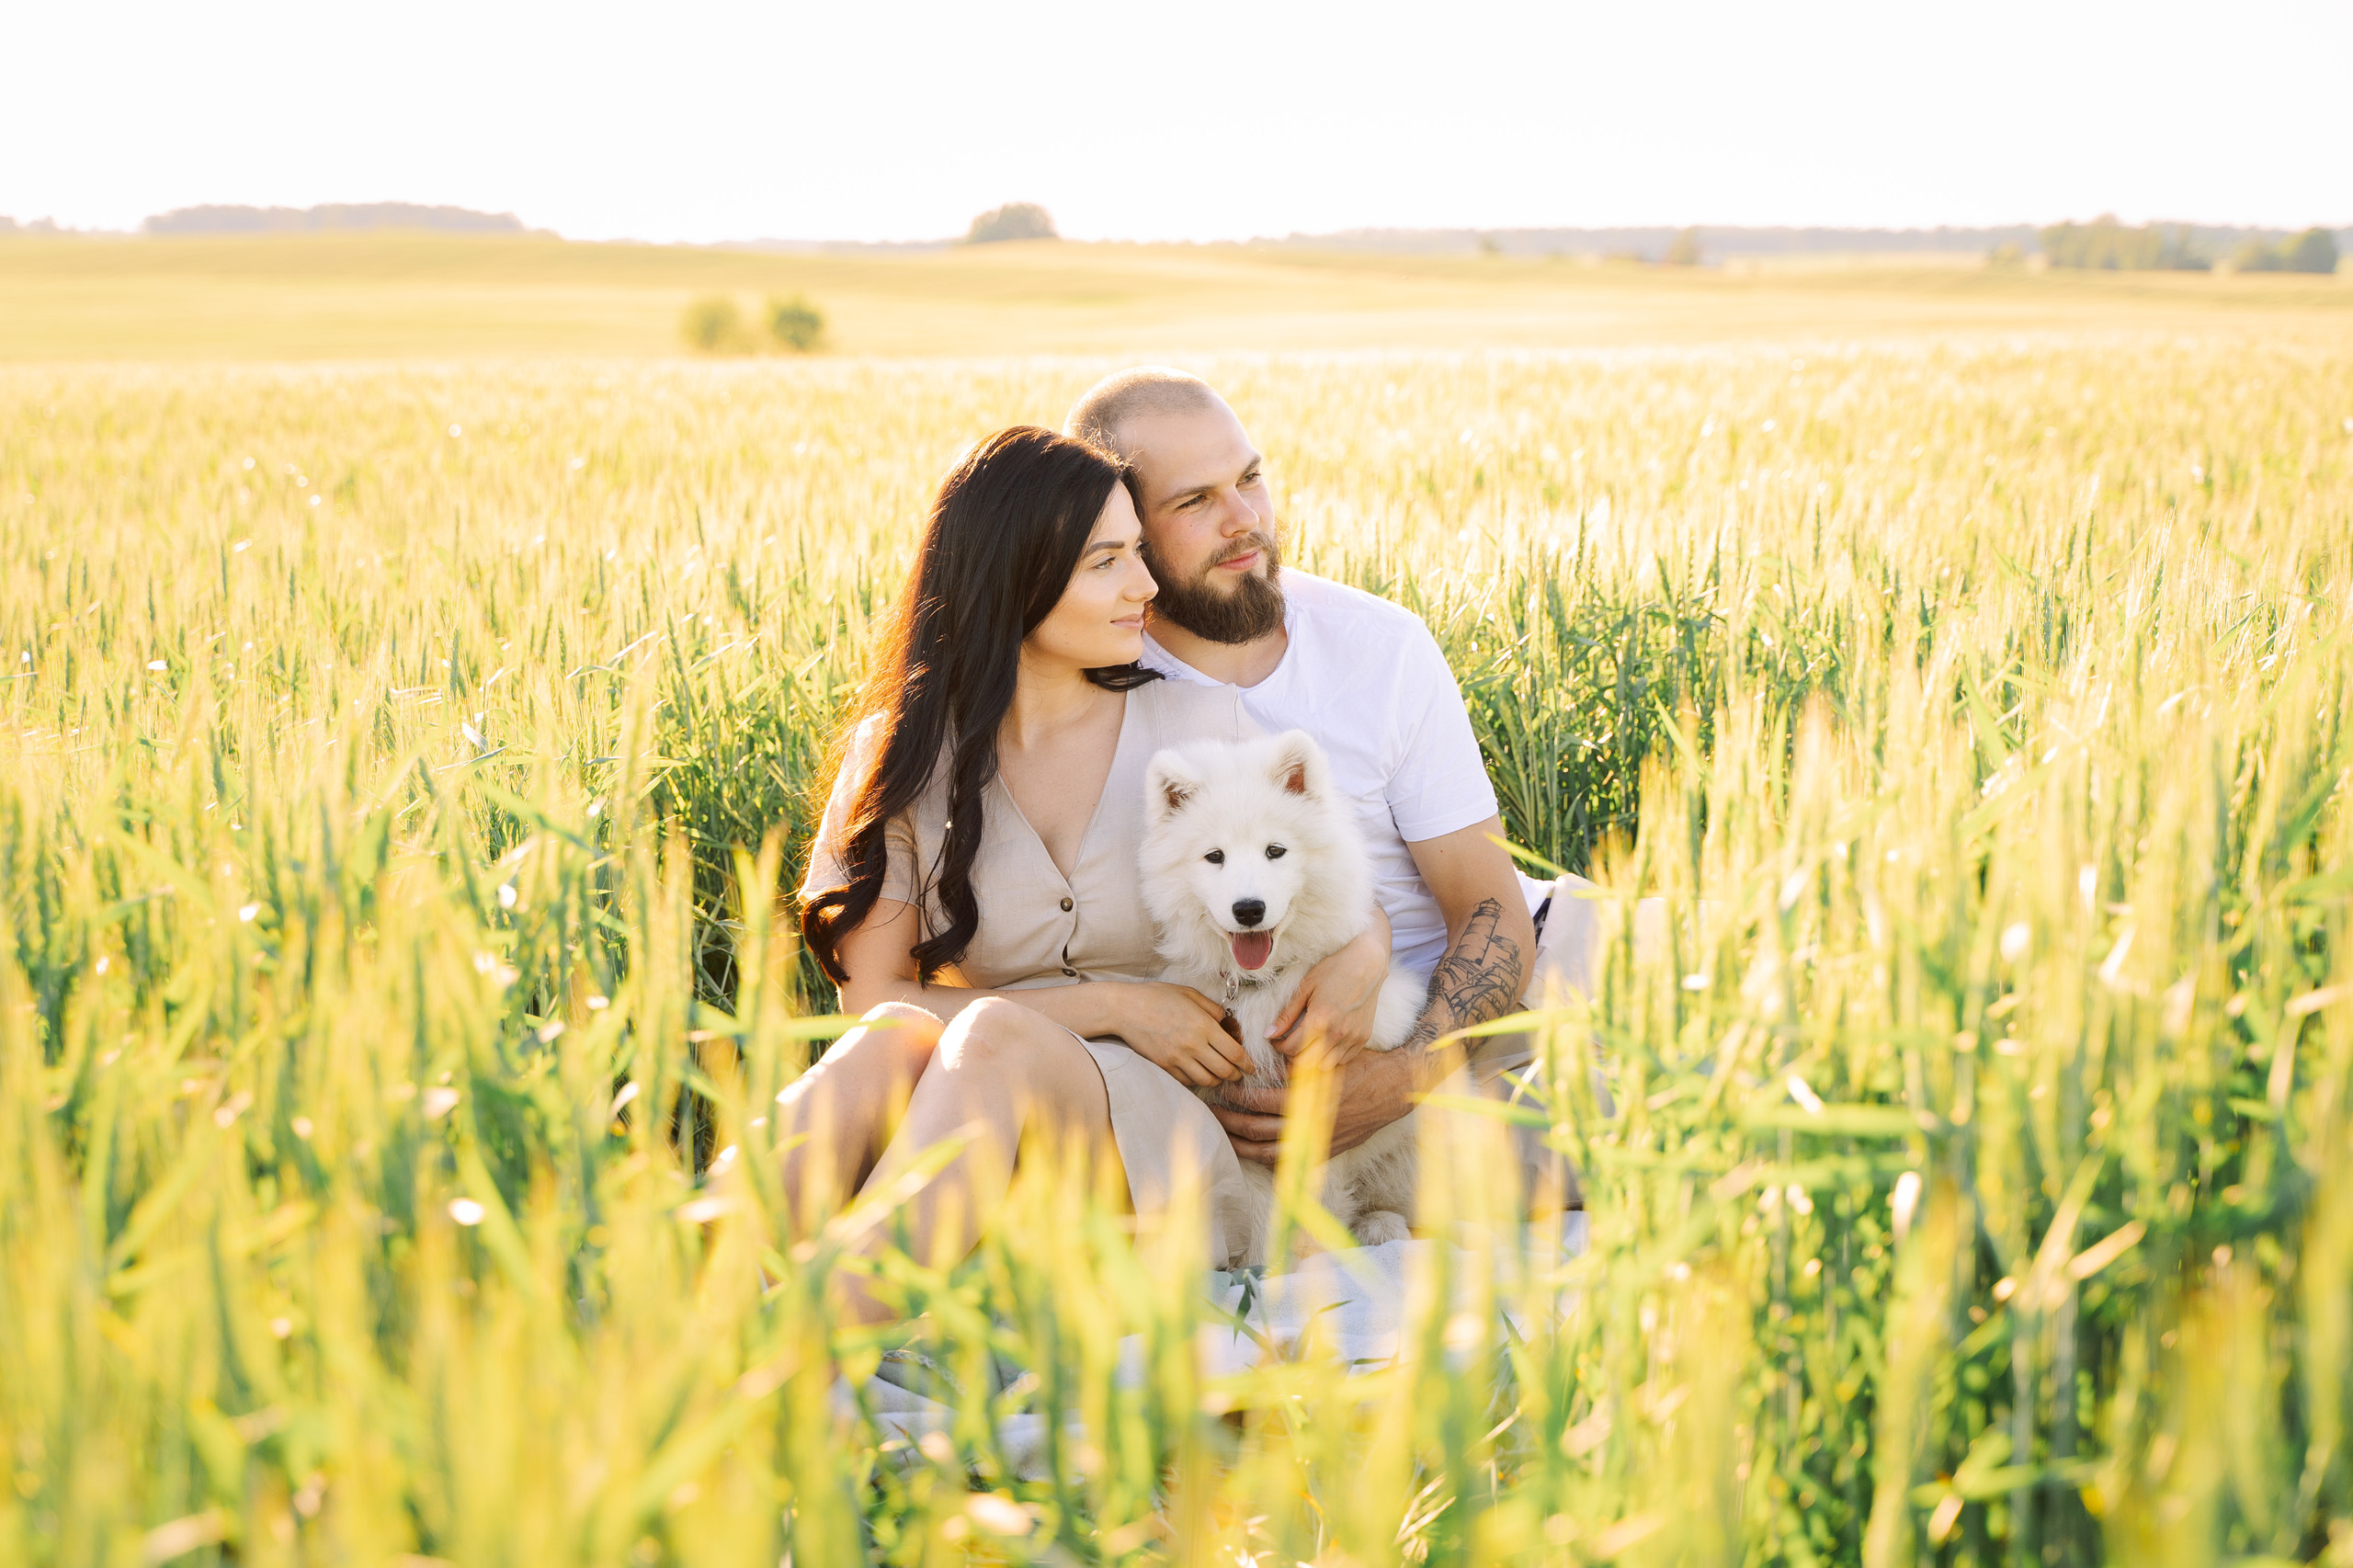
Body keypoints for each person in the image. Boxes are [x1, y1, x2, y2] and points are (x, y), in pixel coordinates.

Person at [788, 426, 1396, 1316]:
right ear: (1018, 579)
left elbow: (1325, 876)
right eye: (1105, 561)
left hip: (1165, 1121)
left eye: (1139, 554)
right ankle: (699, 1278)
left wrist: (1362, 962)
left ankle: (800, 1334)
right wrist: (1112, 1003)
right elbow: (875, 1003)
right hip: (966, 1097)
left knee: (987, 1037)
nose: (1145, 586)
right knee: (882, 1046)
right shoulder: (896, 757)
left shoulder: (1203, 726)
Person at [1064, 369, 1599, 1207]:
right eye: (1195, 501)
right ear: (1124, 530)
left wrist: (1402, 1077)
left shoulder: (1379, 647)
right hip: (1290, 1064)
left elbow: (1489, 907)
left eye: (1249, 478)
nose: (1245, 521)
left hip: (1504, 997)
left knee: (1718, 1110)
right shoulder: (1093, 686)